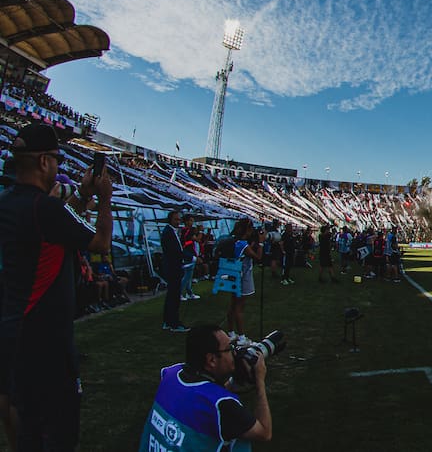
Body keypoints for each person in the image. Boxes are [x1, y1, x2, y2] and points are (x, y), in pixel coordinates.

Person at [0, 123, 113, 449]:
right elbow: (101, 242)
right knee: (58, 432)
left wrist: (82, 194)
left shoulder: (9, 203)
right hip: (46, 342)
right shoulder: (44, 209)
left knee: (26, 427)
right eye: (57, 159)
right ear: (44, 162)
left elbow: (57, 227)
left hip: (16, 330)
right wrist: (104, 197)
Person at [140, 324, 272, 450]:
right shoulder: (222, 405)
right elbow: (264, 432)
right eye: (230, 348)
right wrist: (260, 382)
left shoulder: (170, 374)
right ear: (211, 360)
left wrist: (231, 385)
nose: (235, 353)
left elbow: (196, 400)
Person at [161, 210, 189, 332]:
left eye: (179, 220)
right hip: (173, 268)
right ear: (170, 220)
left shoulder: (171, 232)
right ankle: (173, 323)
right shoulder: (168, 232)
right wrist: (191, 257)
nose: (178, 222)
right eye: (176, 219)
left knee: (172, 296)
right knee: (173, 296)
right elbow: (175, 252)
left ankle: (169, 321)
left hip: (174, 267)